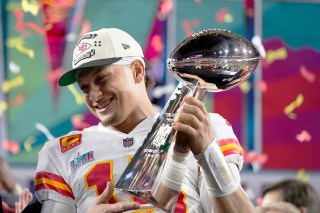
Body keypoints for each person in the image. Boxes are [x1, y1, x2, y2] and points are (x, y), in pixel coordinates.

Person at [33, 28, 255, 212]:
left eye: (102, 79)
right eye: (85, 88)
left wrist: (207, 152)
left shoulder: (205, 126)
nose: (94, 94)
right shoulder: (61, 152)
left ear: (137, 71)